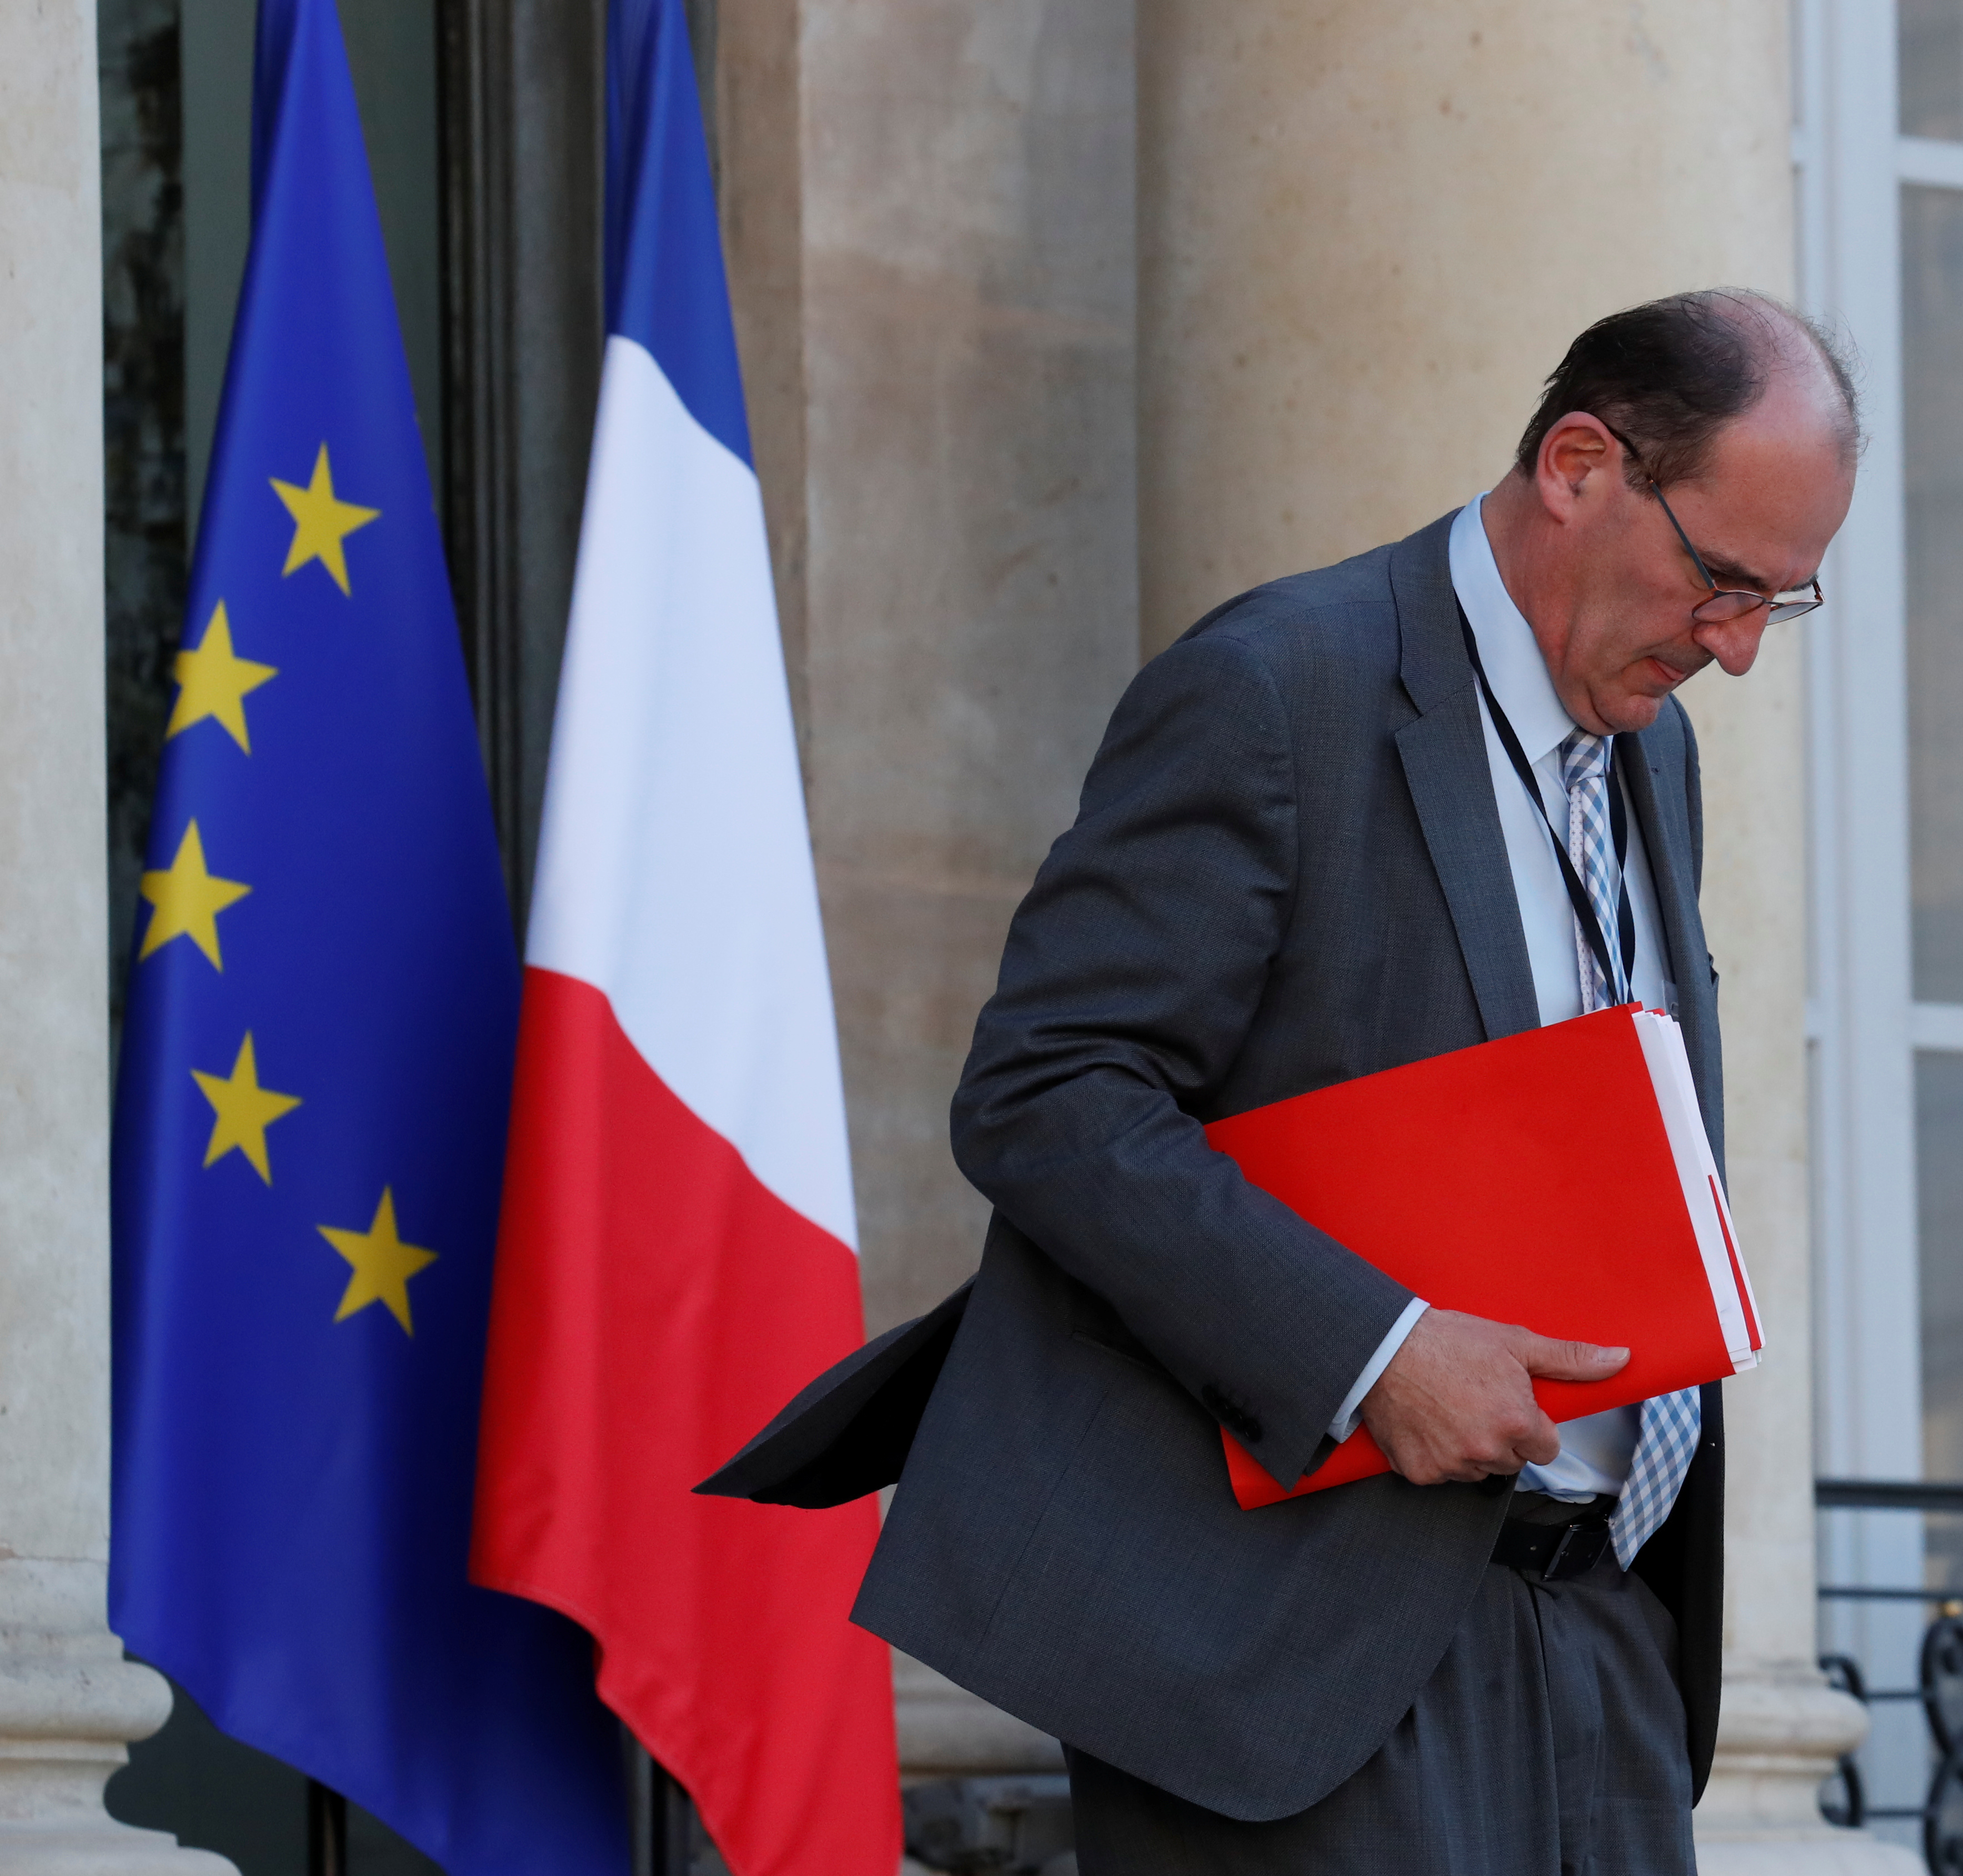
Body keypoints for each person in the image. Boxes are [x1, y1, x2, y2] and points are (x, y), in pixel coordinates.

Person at [707, 289, 1858, 1873]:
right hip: (1307, 1657)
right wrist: (1372, 1349)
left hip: (1599, 1640)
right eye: (1722, 581)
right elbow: (1048, 1091)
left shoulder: (1649, 742)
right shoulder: (1275, 690)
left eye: (1776, 607)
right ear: (1579, 464)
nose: (1732, 650)